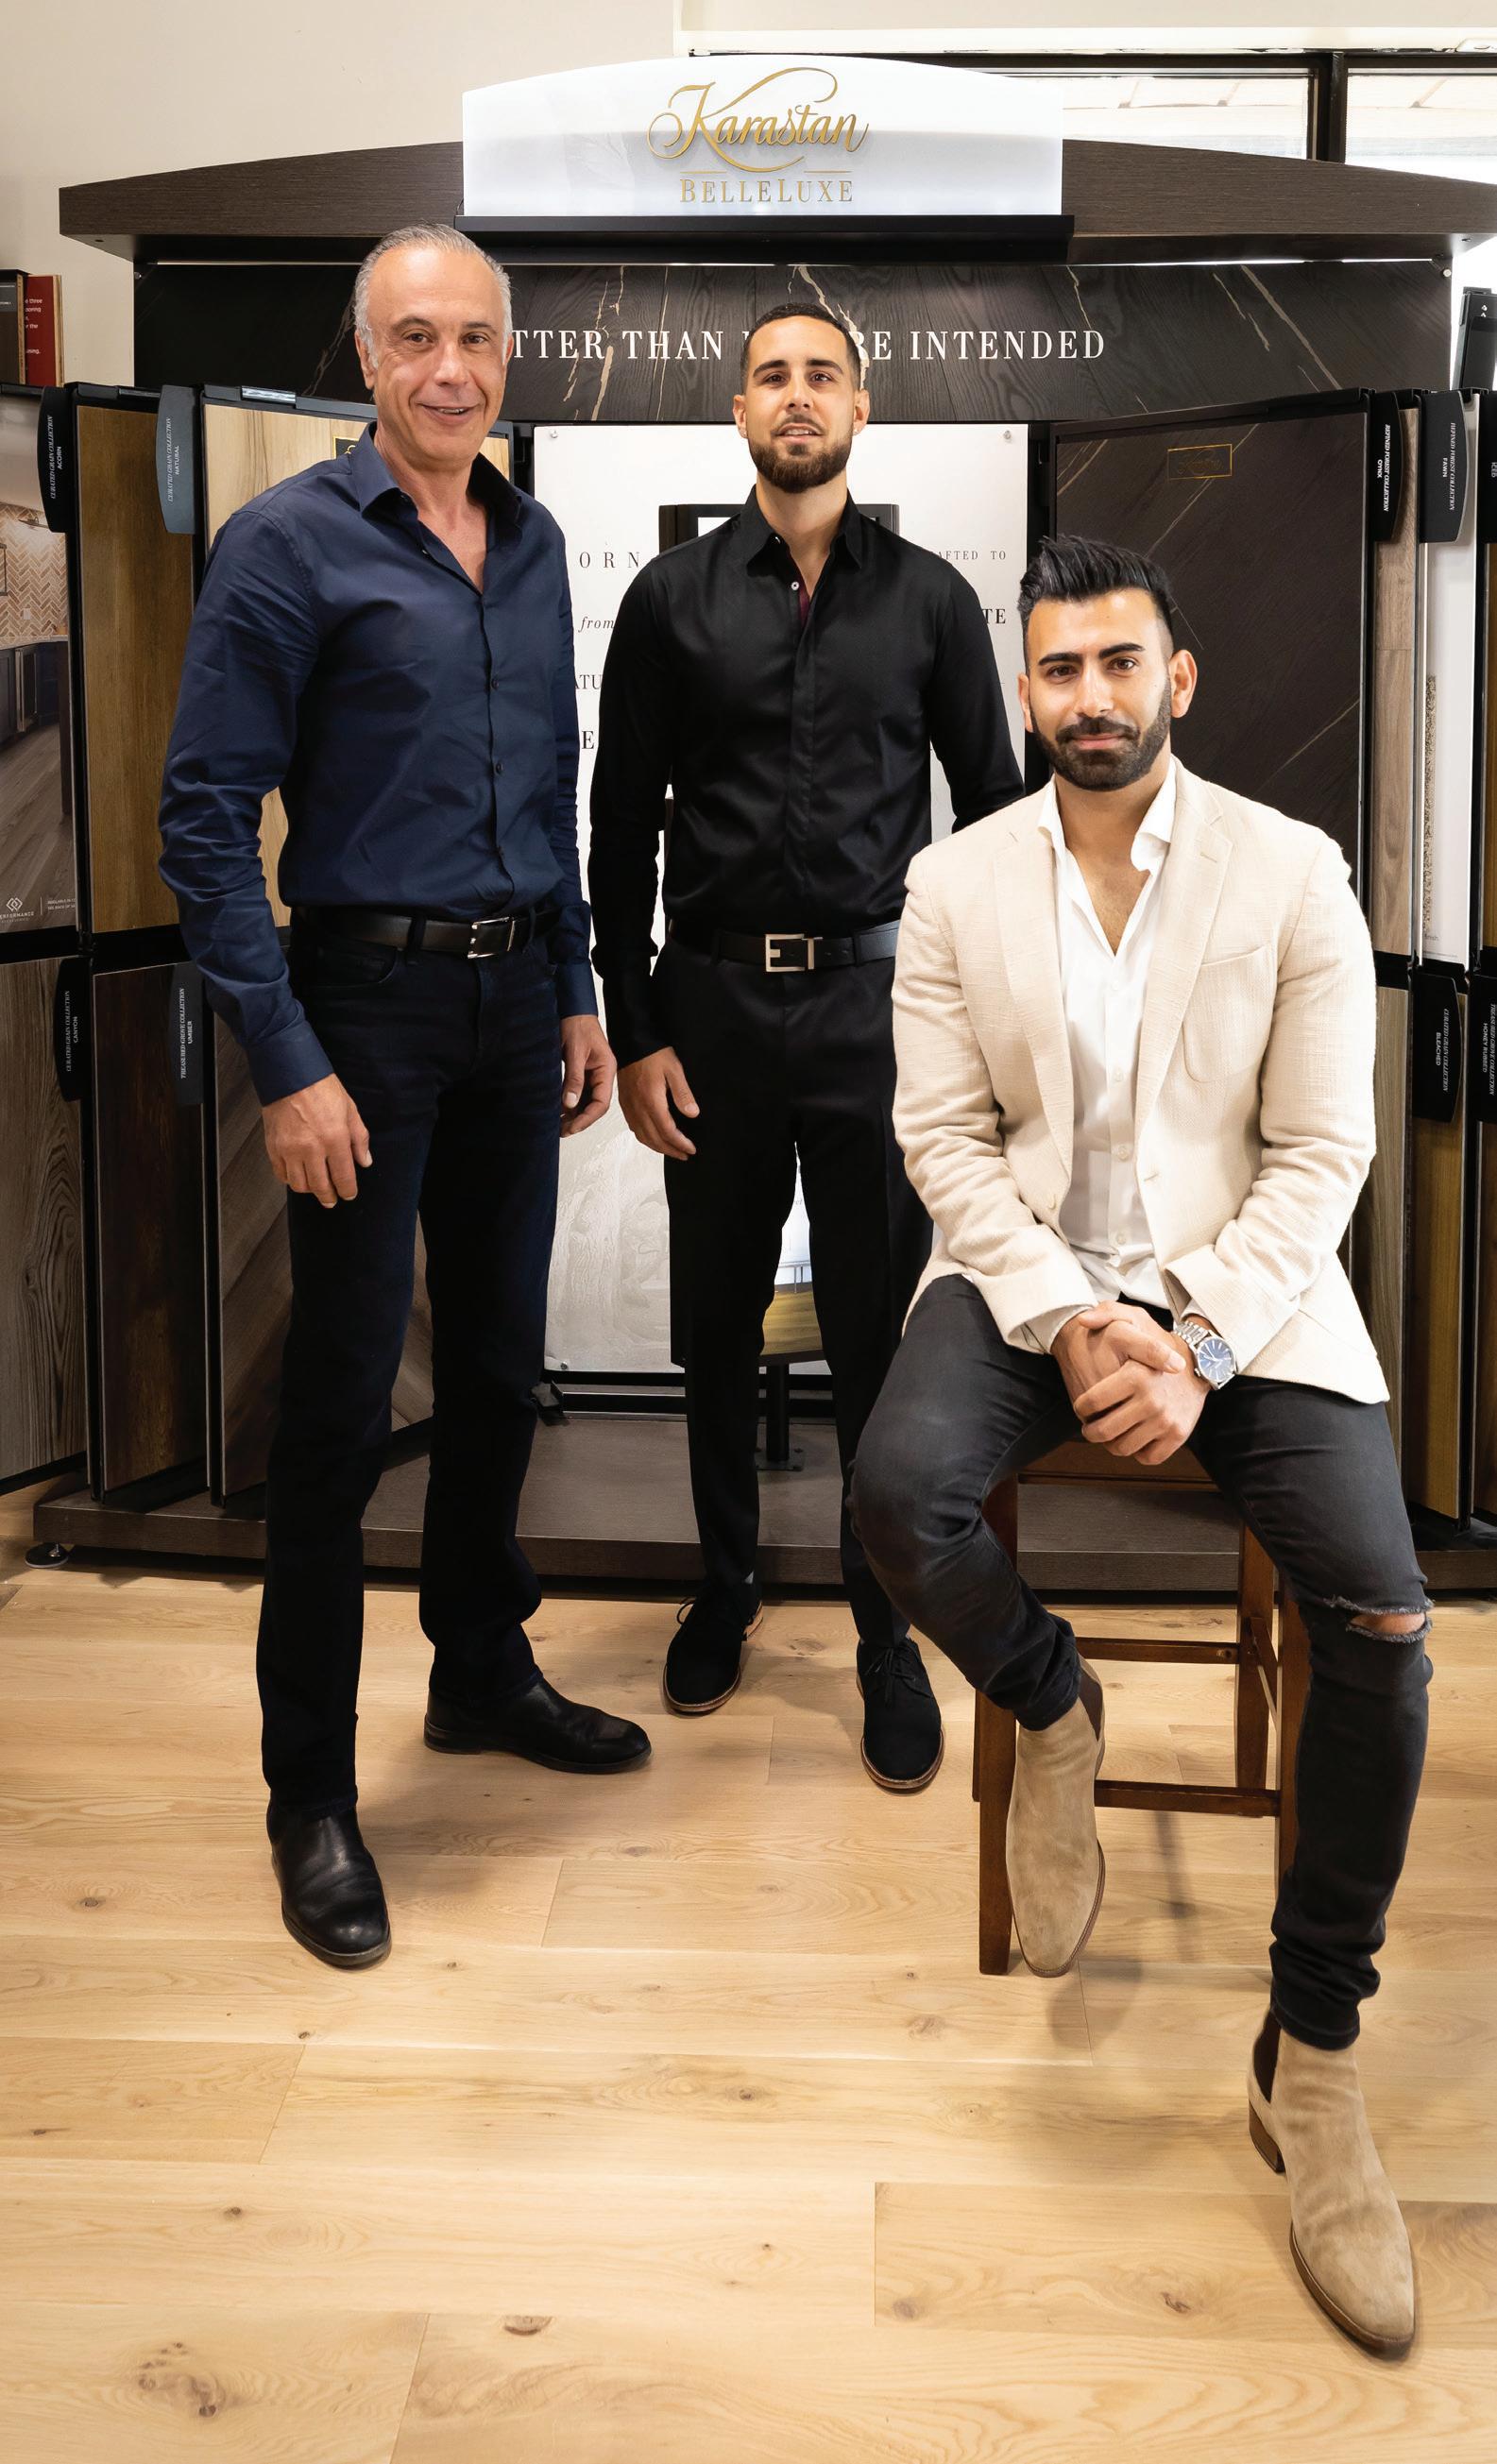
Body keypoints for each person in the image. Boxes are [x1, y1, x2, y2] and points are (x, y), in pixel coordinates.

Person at [852, 534, 1431, 2356]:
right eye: (1057, 668)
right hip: (1027, 1278)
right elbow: (945, 1144)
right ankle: (1049, 1700)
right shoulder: (953, 881)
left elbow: (1321, 1155)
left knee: (1383, 1621)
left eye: (1118, 663)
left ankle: (1310, 2051)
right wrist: (1070, 1317)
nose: (1087, 696)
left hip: (1244, 1296)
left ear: (1176, 678)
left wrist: (1191, 1338)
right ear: (1022, 691)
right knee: (894, 1499)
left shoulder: (1291, 868)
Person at [159, 223, 649, 1973]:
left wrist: (576, 986)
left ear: (508, 357)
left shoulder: (532, 541)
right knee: (344, 1405)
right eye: (416, 338)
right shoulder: (285, 544)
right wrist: (285, 1059)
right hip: (361, 1006)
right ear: (365, 360)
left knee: (504, 1367)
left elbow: (552, 786)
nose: (451, 369)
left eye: (477, 339)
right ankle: (307, 1789)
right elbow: (204, 819)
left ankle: (478, 1668)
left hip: (518, 1004)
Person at [589, 303, 1023, 1789]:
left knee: (873, 1335)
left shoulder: (931, 602)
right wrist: (634, 1028)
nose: (796, 395)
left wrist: (982, 1032)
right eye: (771, 375)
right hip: (708, 1010)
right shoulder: (669, 599)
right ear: (738, 410)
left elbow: (998, 818)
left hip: (877, 1018)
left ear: (859, 406)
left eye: (821, 374)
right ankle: (723, 1586)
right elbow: (618, 827)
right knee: (715, 1321)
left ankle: (883, 1630)